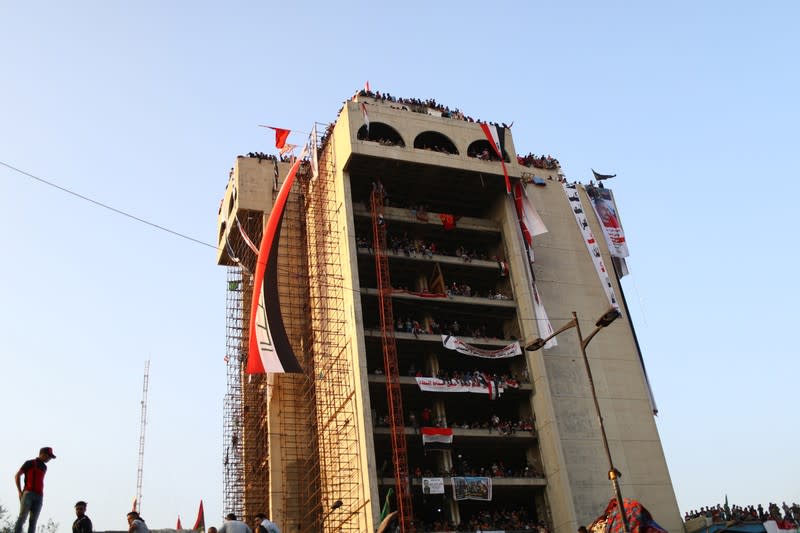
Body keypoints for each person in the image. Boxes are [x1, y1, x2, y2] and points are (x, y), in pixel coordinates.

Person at [13, 447, 56, 533]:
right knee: (22, 517)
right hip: (28, 493)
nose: (49, 459)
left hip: (39, 496)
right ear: (42, 454)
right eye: (49, 456)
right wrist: (20, 491)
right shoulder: (30, 463)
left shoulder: (44, 467)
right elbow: (17, 475)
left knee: (33, 521)